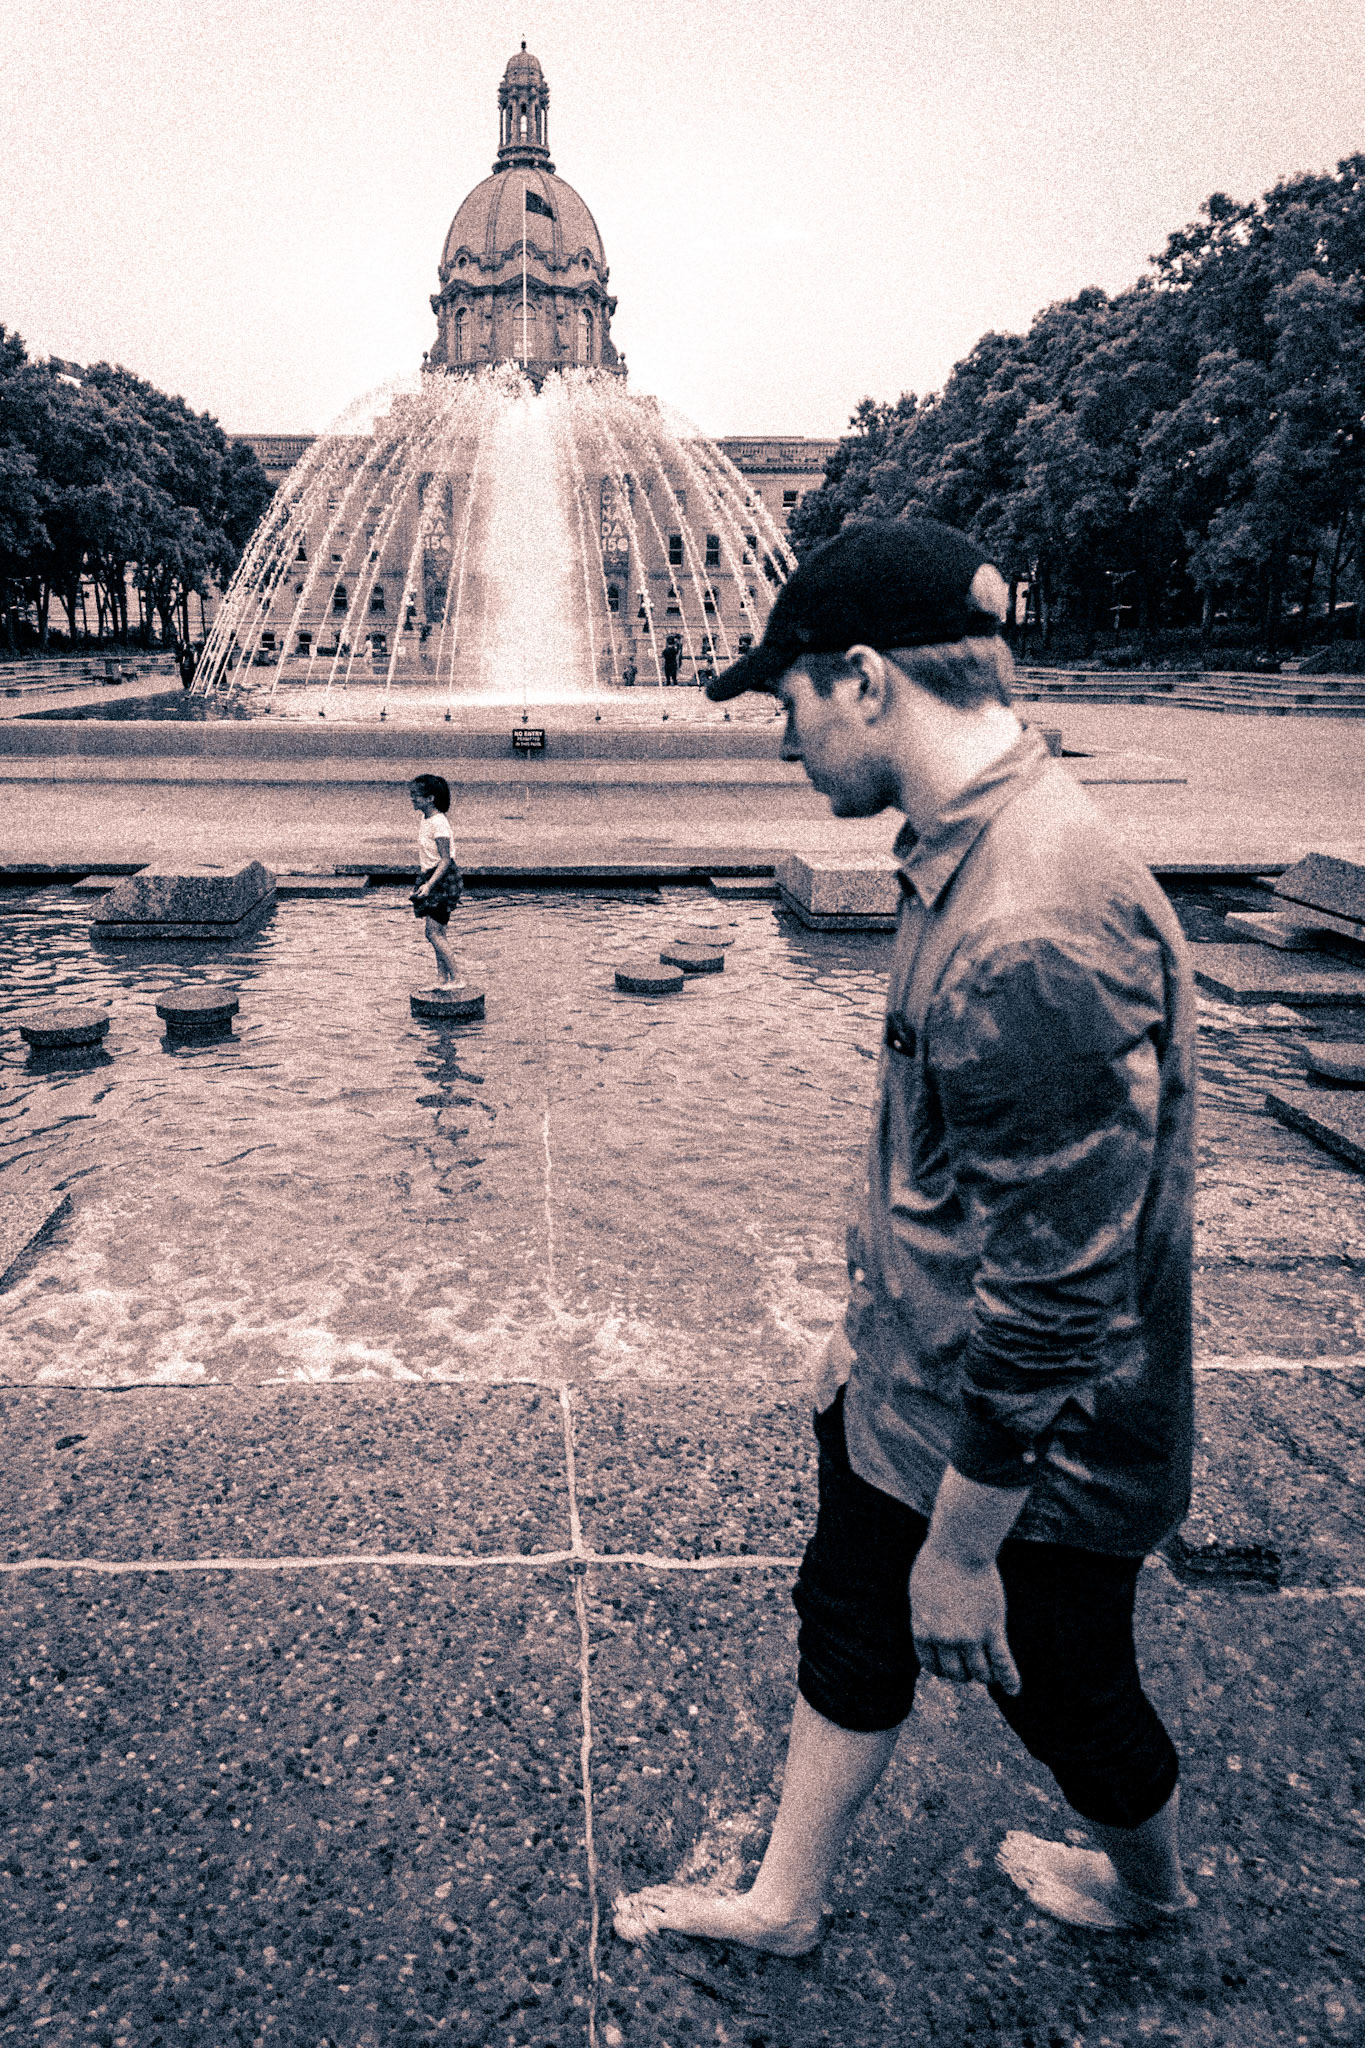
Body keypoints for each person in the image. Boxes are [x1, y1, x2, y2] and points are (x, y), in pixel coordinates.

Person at [613, 519, 1198, 1948]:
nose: (779, 737)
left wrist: (964, 1543)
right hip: (921, 1384)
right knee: (849, 1616)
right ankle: (786, 1901)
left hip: (1026, 1449)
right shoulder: (979, 841)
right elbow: (966, 1170)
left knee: (1063, 1686)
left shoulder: (1028, 924)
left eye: (787, 698)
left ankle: (1148, 1889)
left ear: (865, 679)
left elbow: (1064, 1291)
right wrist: (868, 1326)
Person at [407, 774, 463, 986]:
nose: (412, 799)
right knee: (437, 933)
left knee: (433, 933)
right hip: (432, 876)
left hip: (442, 880)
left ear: (430, 798)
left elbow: (446, 859)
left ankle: (457, 977)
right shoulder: (427, 819)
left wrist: (429, 885)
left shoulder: (439, 823)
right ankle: (442, 978)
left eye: (416, 796)